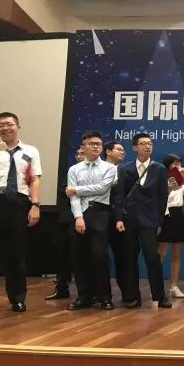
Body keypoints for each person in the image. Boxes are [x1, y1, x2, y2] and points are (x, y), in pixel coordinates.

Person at [114, 132, 171, 308]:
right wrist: (119, 218)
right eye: (143, 144)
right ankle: (132, 297)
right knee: (130, 257)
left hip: (150, 220)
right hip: (129, 219)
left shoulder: (159, 169)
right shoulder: (125, 169)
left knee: (152, 257)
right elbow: (119, 196)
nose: (147, 146)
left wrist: (159, 222)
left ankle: (159, 296)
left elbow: (163, 198)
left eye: (150, 144)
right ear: (134, 147)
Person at [65, 131, 117, 310]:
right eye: (91, 143)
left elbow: (102, 188)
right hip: (79, 214)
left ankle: (105, 297)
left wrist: (76, 189)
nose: (95, 146)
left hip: (100, 212)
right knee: (80, 256)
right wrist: (78, 217)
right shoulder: (74, 169)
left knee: (99, 255)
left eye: (98, 144)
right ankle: (84, 296)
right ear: (83, 146)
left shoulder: (109, 168)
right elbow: (73, 198)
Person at [0, 112, 42, 312]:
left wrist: (35, 205)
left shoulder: (31, 151)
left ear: (18, 126)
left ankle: (17, 298)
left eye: (9, 124)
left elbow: (34, 179)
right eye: (1, 125)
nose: (5, 128)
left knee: (15, 252)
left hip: (18, 202)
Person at [46, 146, 84, 300]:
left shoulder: (96, 172)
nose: (79, 156)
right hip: (66, 218)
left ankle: (87, 292)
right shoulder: (70, 171)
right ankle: (61, 288)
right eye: (77, 153)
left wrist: (77, 190)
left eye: (82, 153)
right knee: (62, 253)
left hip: (86, 218)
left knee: (82, 255)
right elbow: (63, 190)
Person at [157, 154, 184, 299]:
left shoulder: (182, 180)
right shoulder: (161, 179)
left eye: (179, 163)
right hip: (164, 215)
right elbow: (158, 199)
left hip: (178, 215)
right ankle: (157, 286)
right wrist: (168, 188)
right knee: (161, 252)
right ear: (168, 165)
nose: (178, 166)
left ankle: (174, 286)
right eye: (175, 163)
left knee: (177, 254)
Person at [103, 140, 126, 298]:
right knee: (99, 255)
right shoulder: (98, 169)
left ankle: (126, 293)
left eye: (123, 149)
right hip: (99, 216)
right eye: (118, 149)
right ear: (108, 151)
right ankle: (102, 294)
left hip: (119, 218)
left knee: (122, 256)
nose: (122, 152)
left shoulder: (125, 170)